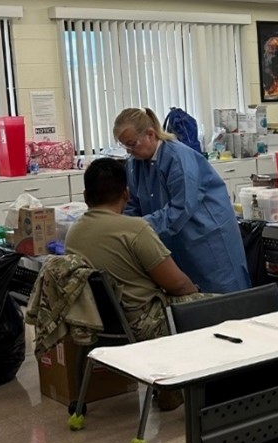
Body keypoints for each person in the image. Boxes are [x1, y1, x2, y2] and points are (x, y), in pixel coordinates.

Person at [65, 157, 210, 343]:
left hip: (100, 324)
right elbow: (178, 285)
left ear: (85, 196)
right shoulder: (135, 229)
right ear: (126, 194)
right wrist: (197, 294)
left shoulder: (73, 234)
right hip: (143, 323)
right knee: (227, 307)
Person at [113, 107, 251, 295]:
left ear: (150, 135)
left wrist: (139, 228)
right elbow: (133, 204)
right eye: (125, 146)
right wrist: (123, 226)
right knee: (190, 302)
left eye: (132, 144)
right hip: (176, 239)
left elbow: (181, 207)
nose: (129, 151)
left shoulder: (178, 157)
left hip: (208, 237)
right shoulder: (134, 164)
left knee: (224, 298)